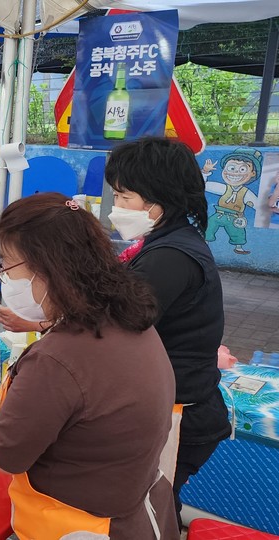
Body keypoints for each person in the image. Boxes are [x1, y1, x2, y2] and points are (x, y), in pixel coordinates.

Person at [0, 193, 180, 540]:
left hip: (82, 527)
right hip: (136, 506)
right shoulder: (125, 319)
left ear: (46, 267)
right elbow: (92, 410)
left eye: (6, 266)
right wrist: (1, 411)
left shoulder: (57, 357)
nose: (3, 277)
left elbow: (4, 455)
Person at [106, 137, 230, 528]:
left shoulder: (169, 257)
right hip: (177, 403)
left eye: (124, 196)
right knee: (155, 503)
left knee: (149, 509)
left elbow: (114, 325)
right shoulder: (168, 241)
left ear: (158, 201)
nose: (115, 206)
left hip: (180, 415)